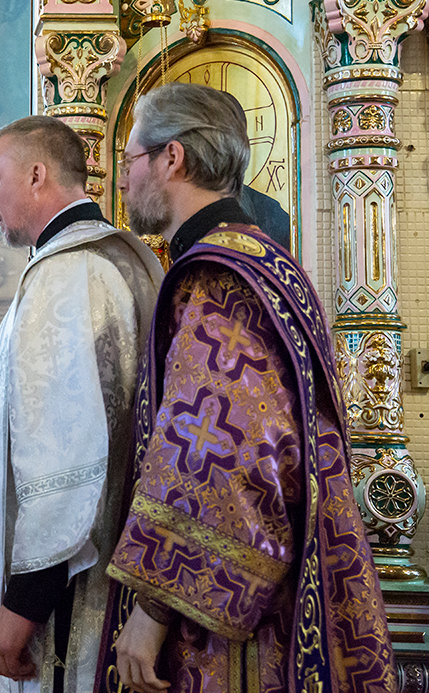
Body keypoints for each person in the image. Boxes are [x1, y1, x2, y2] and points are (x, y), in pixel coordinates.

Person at [103, 83, 395, 692]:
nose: (124, 180)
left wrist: (153, 610)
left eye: (130, 160)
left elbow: (223, 456)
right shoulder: (268, 260)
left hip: (234, 628)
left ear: (172, 158)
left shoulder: (219, 280)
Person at [0, 116, 163, 693]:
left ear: (37, 175)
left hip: (65, 604)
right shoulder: (111, 260)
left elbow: (64, 464)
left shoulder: (66, 274)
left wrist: (23, 606)